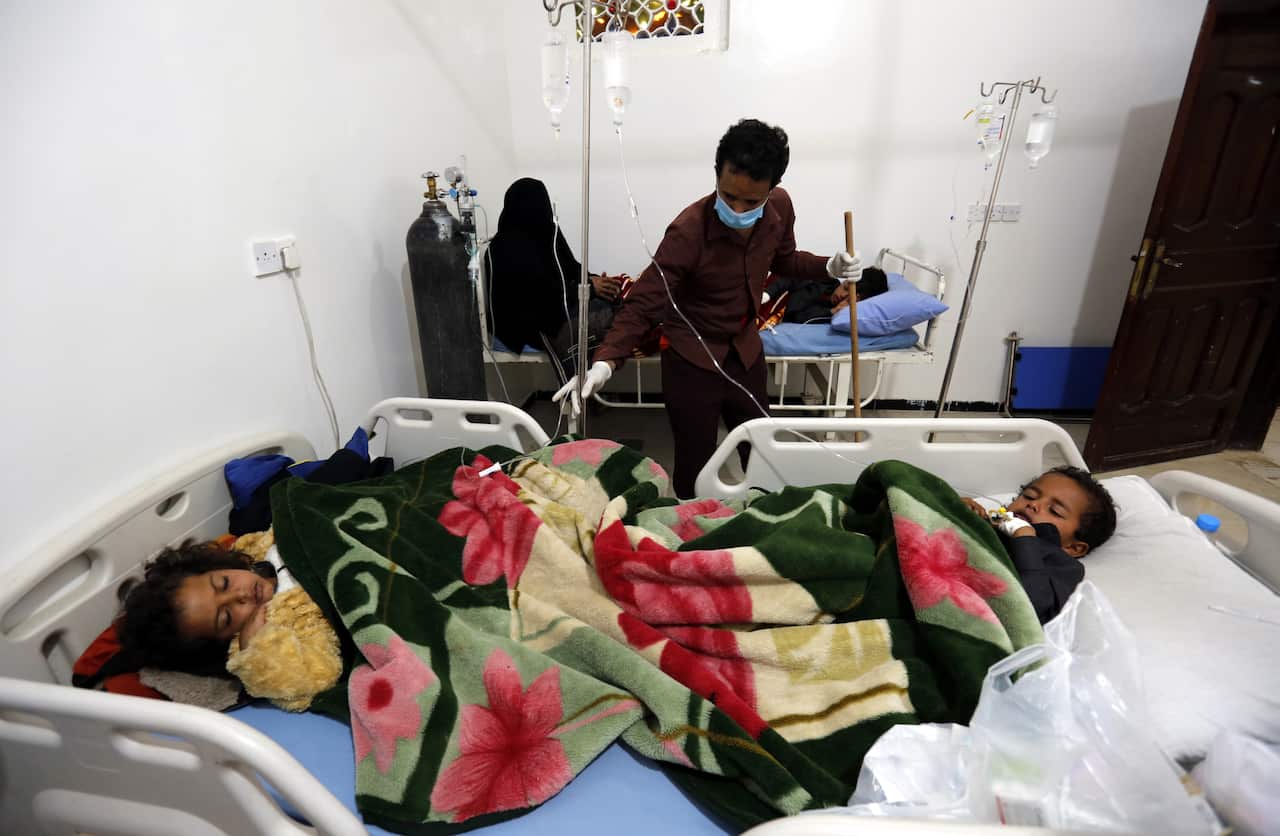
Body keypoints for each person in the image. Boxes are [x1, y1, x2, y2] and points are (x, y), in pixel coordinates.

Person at [554, 119, 863, 498]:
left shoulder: (779, 208)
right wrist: (605, 361)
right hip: (692, 360)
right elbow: (645, 301)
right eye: (727, 195)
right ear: (716, 174)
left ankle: (762, 525)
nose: (736, 209)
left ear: (772, 189)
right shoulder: (688, 231)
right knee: (695, 468)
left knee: (763, 451)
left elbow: (785, 260)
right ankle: (690, 539)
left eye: (751, 202)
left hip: (745, 351)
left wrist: (827, 267)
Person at [485, 177, 624, 379]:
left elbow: (570, 268)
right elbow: (538, 297)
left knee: (616, 305)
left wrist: (594, 281)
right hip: (527, 321)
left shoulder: (549, 233)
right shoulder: (504, 249)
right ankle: (575, 393)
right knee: (591, 322)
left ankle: (591, 382)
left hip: (554, 305)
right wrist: (589, 288)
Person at [962, 466, 1117, 623]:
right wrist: (956, 509)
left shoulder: (1063, 565)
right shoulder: (986, 522)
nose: (1033, 504)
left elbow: (1033, 608)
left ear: (1073, 548)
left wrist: (1024, 538)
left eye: (1055, 511)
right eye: (1029, 496)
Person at [117, 541, 278, 677]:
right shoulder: (284, 634)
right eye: (226, 617)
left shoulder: (266, 546)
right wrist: (254, 654)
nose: (241, 595)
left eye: (224, 583)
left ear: (219, 567)